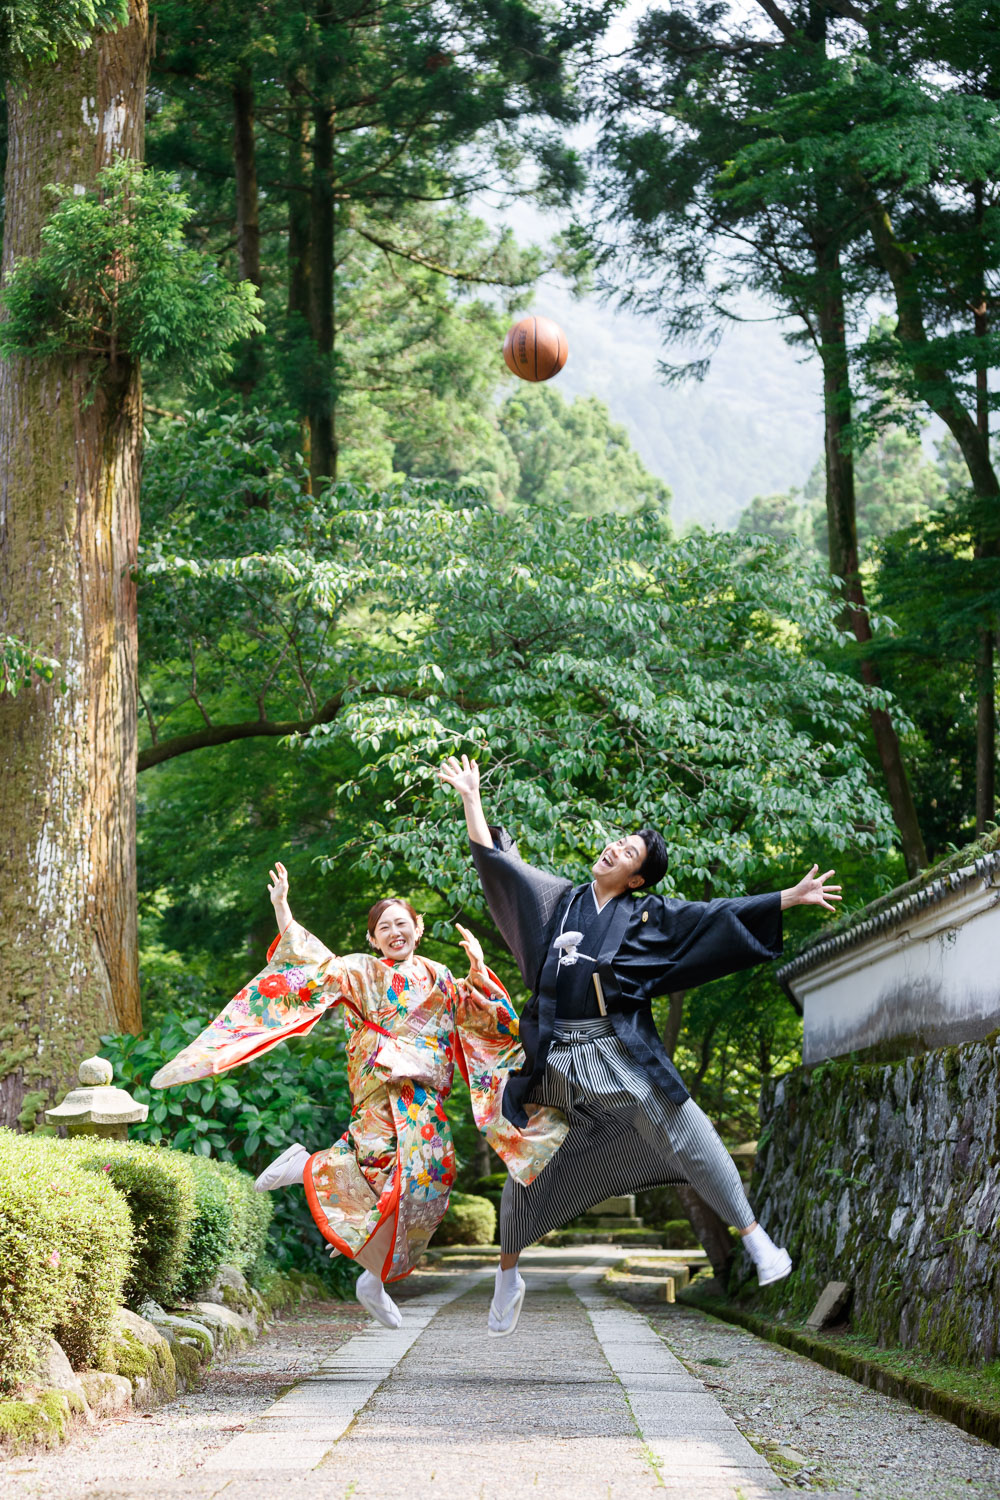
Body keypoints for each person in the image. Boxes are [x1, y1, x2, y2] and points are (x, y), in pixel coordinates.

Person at [440, 753, 842, 1337]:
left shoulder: (648, 915)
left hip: (611, 1052)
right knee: (527, 1161)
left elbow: (712, 916)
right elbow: (504, 870)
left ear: (636, 879)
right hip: (554, 1057)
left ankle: (755, 1239)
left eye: (628, 853)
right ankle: (508, 1273)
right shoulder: (560, 899)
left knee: (681, 1123)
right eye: (617, 843)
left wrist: (785, 897)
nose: (613, 850)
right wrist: (472, 801)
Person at [151, 862, 566, 1330]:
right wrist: (283, 908)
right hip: (378, 1084)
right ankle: (308, 1168)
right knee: (376, 1165)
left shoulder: (441, 976)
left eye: (402, 924)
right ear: (372, 939)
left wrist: (479, 974)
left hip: (424, 1093)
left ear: (419, 928)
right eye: (383, 927)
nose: (394, 932)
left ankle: (371, 1273)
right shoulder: (362, 970)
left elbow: (488, 1022)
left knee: (430, 1176)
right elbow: (308, 967)